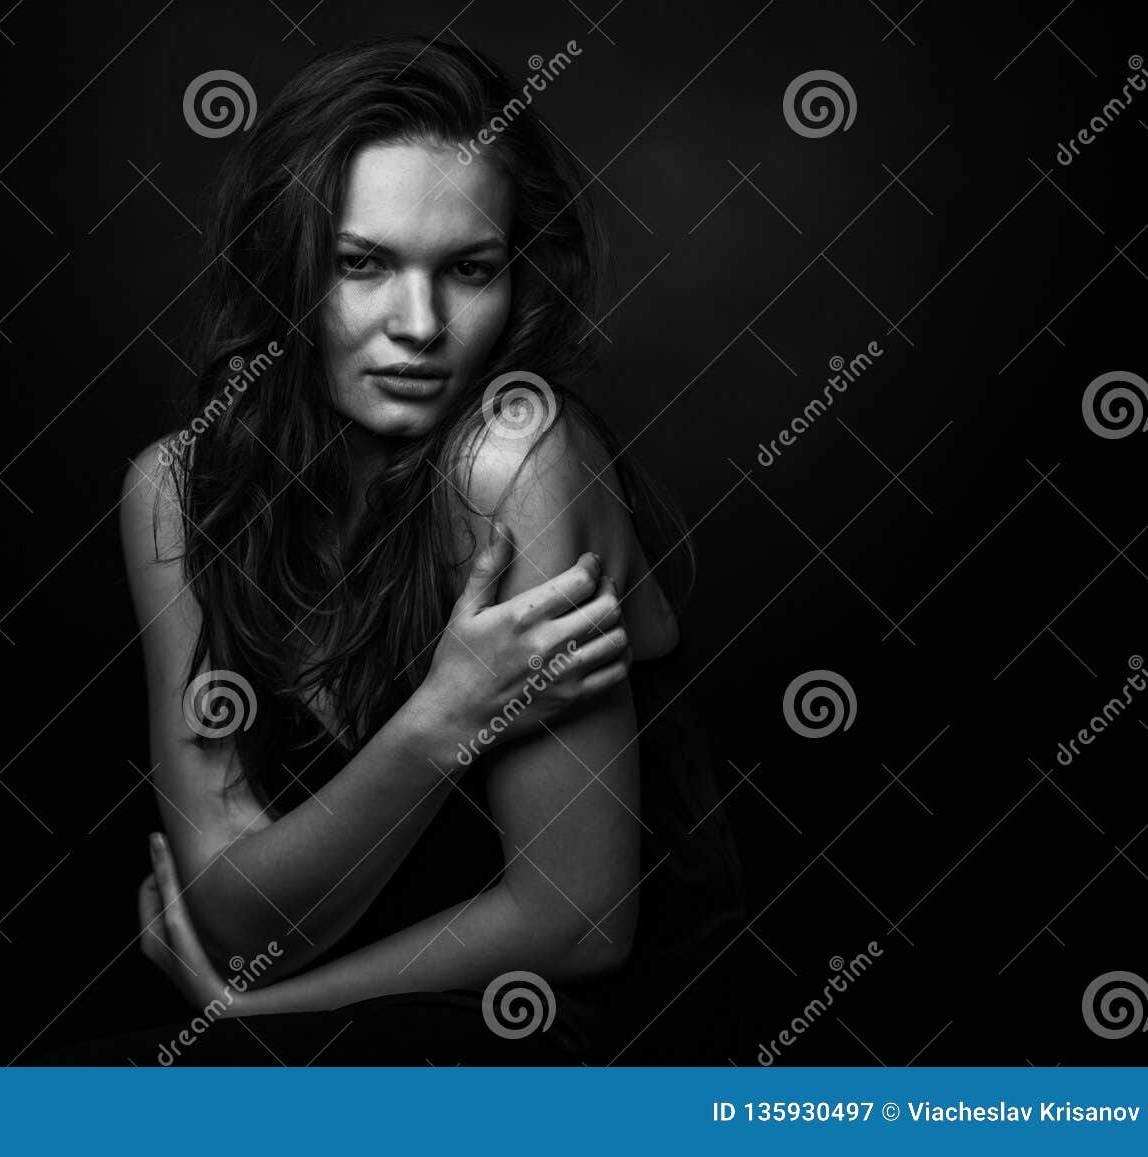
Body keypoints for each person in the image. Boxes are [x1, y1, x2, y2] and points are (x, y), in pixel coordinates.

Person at [44, 34, 747, 1065]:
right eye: (361, 264)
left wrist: (265, 1015)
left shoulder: (517, 457)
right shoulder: (176, 493)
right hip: (365, 1016)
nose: (418, 325)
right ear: (285, 269)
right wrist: (442, 717)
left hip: (571, 1030)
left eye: (468, 269)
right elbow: (234, 921)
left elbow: (578, 920)